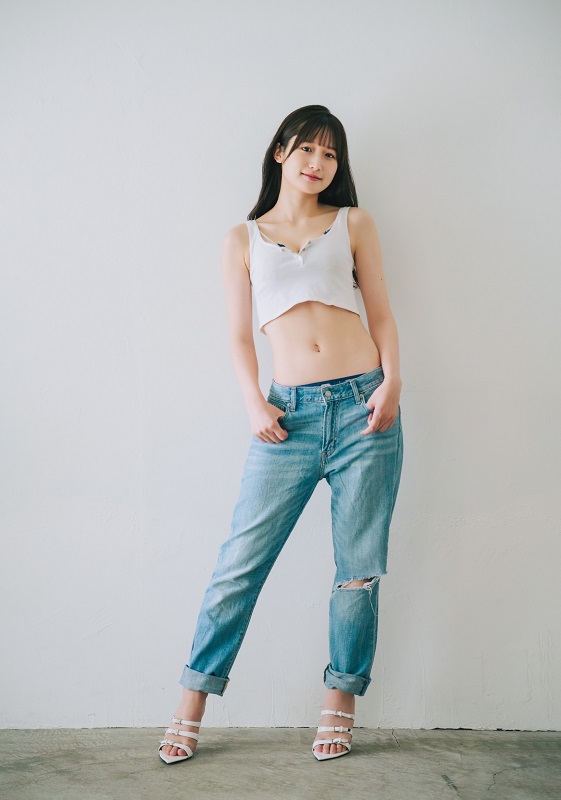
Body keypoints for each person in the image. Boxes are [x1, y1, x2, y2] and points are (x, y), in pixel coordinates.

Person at [159, 104, 404, 764]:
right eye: (306, 149)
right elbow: (239, 338)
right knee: (238, 566)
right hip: (286, 419)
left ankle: (339, 704)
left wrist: (392, 382)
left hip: (364, 408)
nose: (317, 163)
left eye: (330, 154)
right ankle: (190, 703)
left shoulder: (353, 223)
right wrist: (253, 405)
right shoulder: (241, 239)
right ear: (280, 152)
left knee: (357, 573)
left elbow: (381, 313)